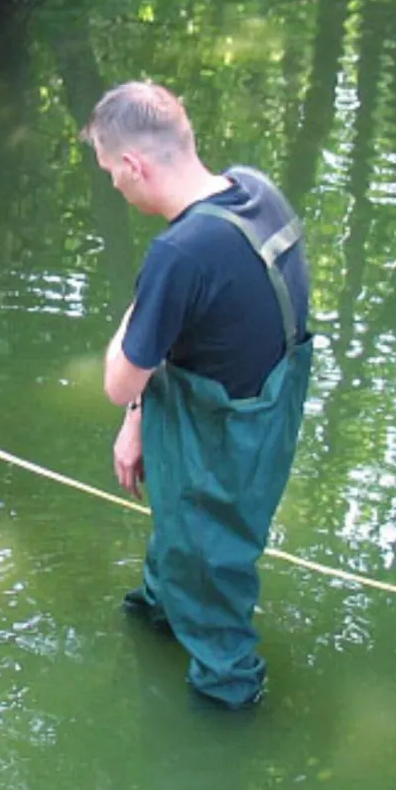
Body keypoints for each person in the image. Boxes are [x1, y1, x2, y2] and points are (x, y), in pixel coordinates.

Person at [81, 81, 314, 709]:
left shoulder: (179, 253)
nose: (114, 186)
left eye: (110, 172)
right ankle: (159, 609)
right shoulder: (252, 189)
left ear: (134, 165)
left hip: (224, 439)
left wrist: (141, 315)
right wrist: (138, 423)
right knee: (185, 541)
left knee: (212, 573)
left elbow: (118, 378)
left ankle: (226, 709)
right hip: (261, 410)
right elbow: (183, 327)